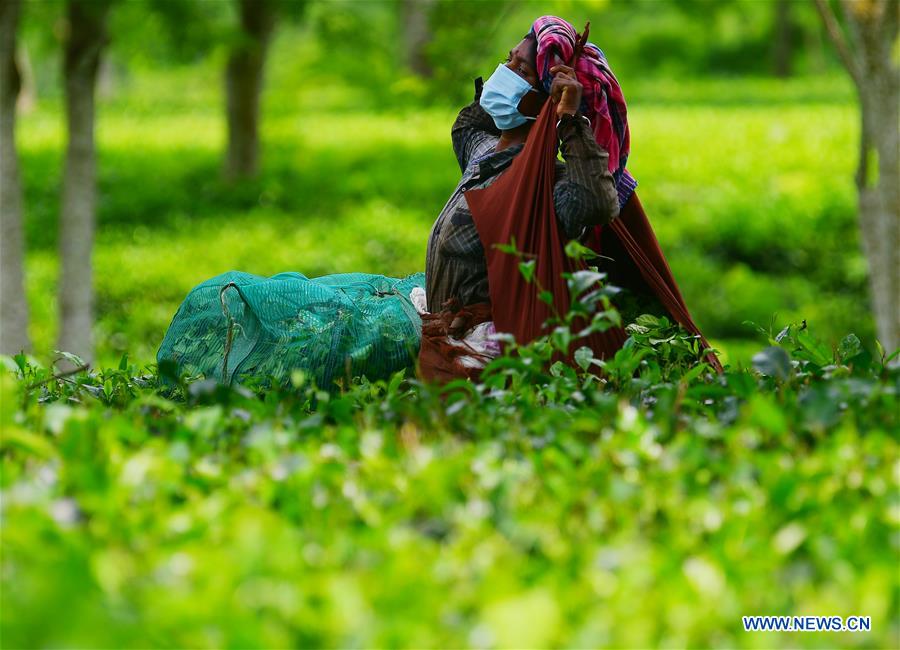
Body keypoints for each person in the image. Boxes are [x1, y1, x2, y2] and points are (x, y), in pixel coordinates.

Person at [420, 15, 719, 383]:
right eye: (507, 60)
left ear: (546, 99)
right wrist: (524, 64)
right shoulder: (483, 153)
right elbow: (466, 125)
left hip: (481, 342)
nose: (505, 72)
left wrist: (570, 120)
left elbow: (596, 203)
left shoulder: (548, 186)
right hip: (441, 319)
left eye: (521, 70)